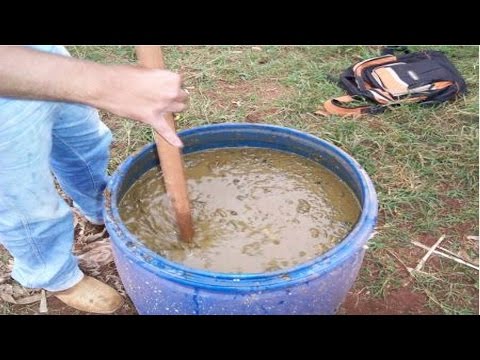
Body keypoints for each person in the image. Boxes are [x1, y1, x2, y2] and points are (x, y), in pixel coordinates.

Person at [0, 45, 188, 313]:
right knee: (24, 201)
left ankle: (100, 210)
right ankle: (57, 277)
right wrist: (106, 84)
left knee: (86, 147)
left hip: (41, 52)